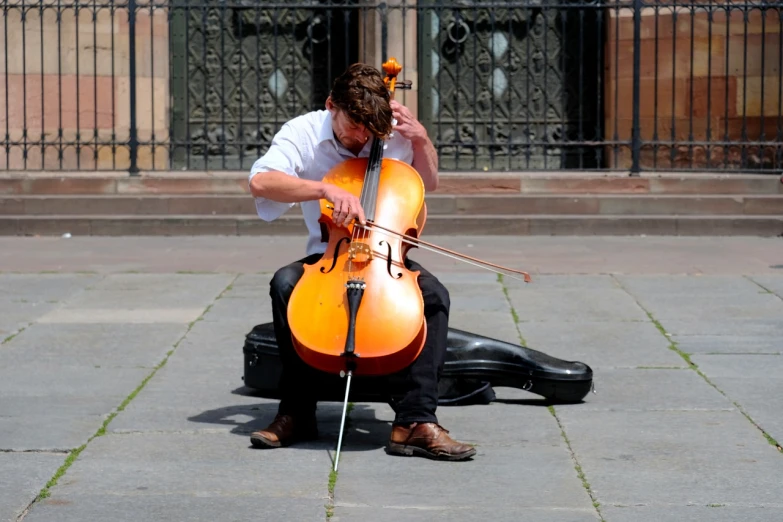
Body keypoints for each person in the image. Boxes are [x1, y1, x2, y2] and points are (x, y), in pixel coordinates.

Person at [246, 63, 476, 461]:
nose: (364, 137)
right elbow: (261, 182)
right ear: (330, 105)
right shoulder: (302, 132)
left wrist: (421, 141)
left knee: (433, 295)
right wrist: (323, 188)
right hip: (330, 253)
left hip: (387, 254)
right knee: (284, 283)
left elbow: (428, 184)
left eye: (372, 129)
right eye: (355, 125)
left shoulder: (389, 131)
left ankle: (415, 421)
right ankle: (296, 411)